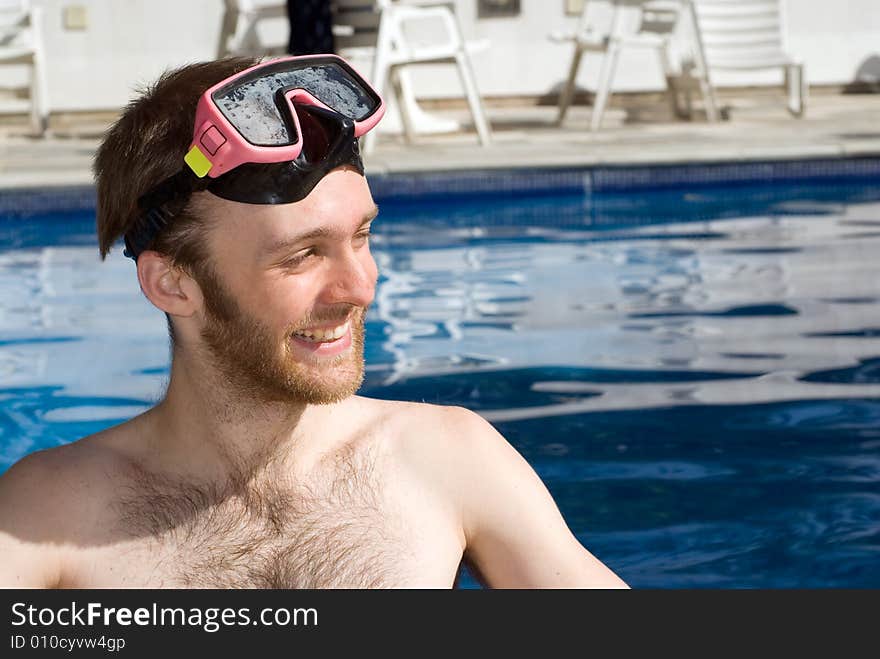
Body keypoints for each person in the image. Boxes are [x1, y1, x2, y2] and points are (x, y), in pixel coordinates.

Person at [0, 55, 629, 589]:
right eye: (301, 255)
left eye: (361, 235)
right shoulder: (48, 515)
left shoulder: (444, 459)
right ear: (172, 283)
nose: (360, 287)